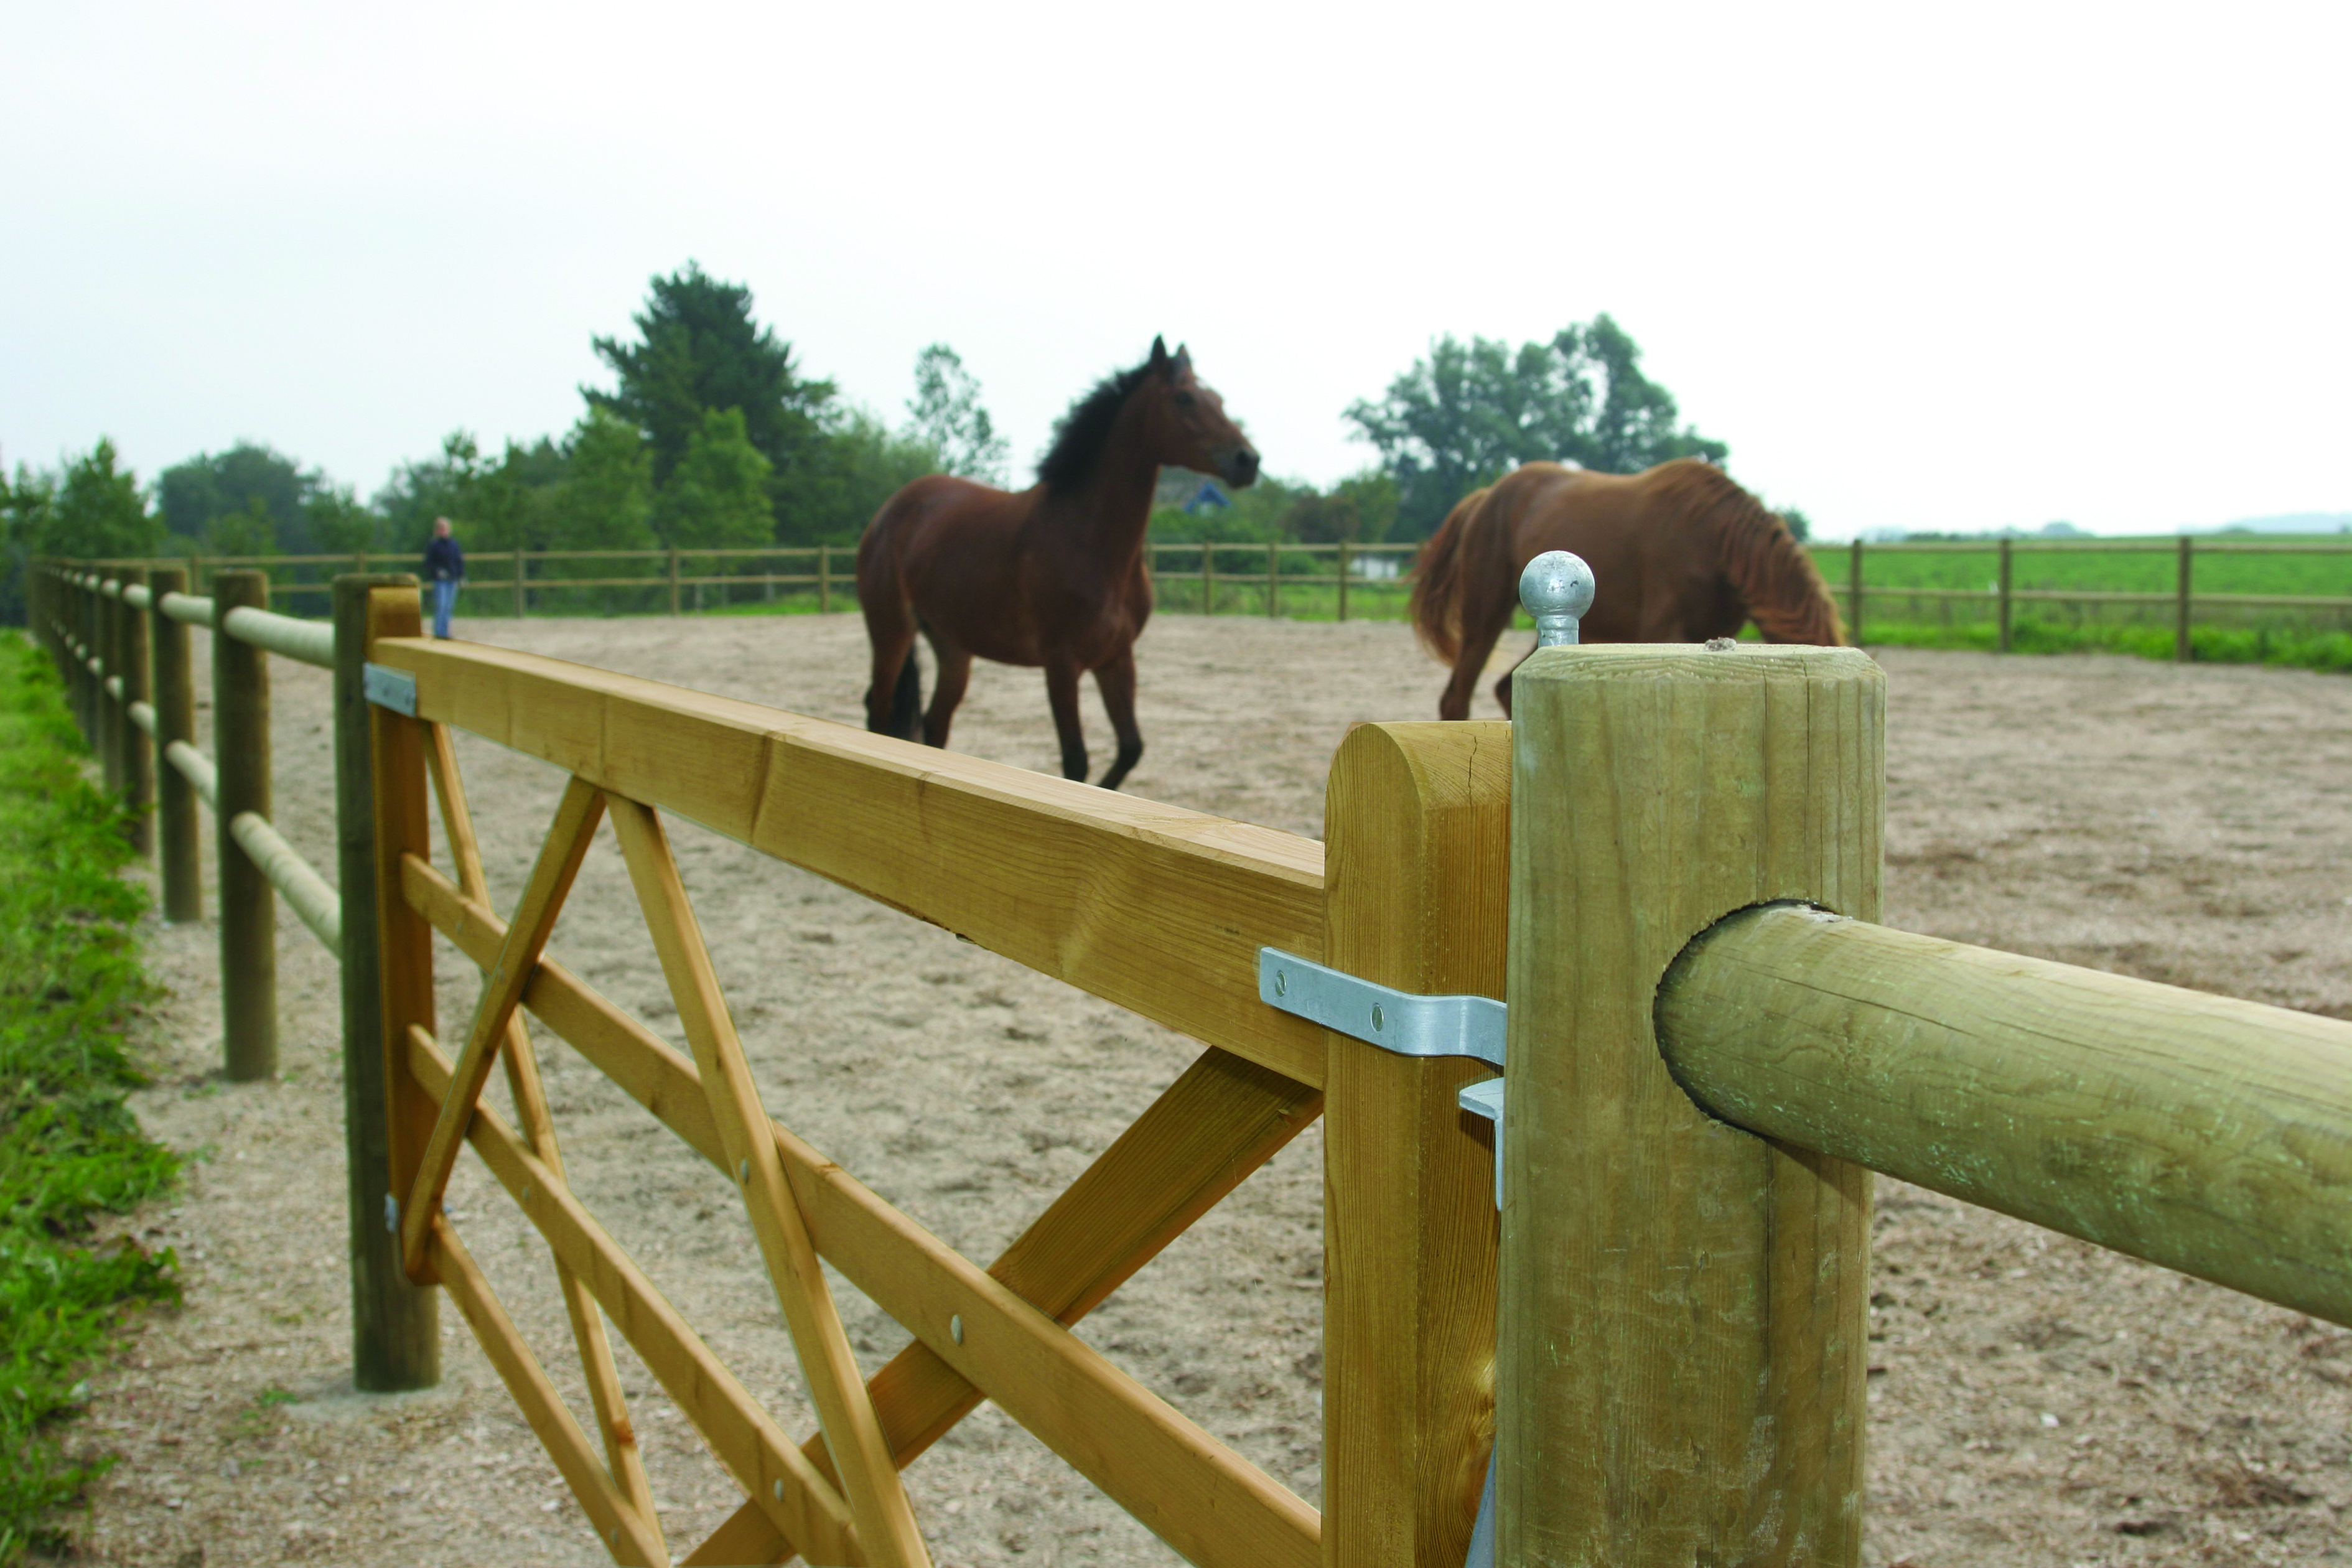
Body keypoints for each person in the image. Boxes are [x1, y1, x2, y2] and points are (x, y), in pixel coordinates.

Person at [423, 517, 465, 638]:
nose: (444, 531)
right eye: (441, 528)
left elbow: (459, 561)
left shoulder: (454, 544)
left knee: (449, 607)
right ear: (437, 530)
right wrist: (437, 571)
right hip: (440, 580)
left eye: (445, 528)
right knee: (441, 606)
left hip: (452, 579)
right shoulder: (434, 545)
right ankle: (439, 632)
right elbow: (428, 562)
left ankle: (445, 632)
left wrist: (461, 575)